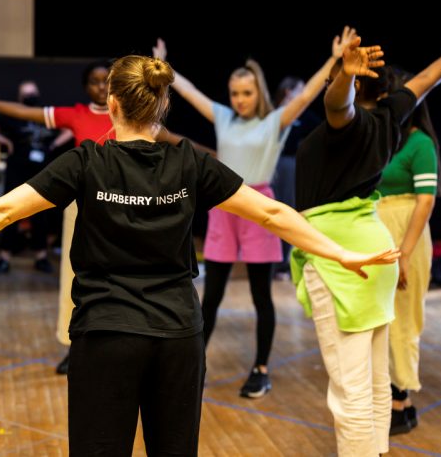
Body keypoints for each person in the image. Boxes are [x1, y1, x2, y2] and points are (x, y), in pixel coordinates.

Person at [0, 54, 399, 456]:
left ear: (112, 106)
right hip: (177, 339)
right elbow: (274, 215)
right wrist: (340, 256)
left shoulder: (87, 162)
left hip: (105, 338)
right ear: (162, 108)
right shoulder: (188, 162)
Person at [0, 60, 208, 374]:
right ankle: (73, 344)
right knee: (75, 278)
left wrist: (216, 156)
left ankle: (127, 339)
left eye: (106, 81)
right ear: (86, 86)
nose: (101, 87)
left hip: (130, 205)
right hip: (85, 206)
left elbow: (181, 144)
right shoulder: (76, 114)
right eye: (94, 81)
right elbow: (23, 113)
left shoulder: (140, 121)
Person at [153, 26, 357, 398]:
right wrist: (165, 67)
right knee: (210, 295)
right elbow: (190, 92)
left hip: (259, 205)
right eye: (234, 93)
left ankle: (261, 369)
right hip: (224, 205)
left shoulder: (273, 122)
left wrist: (335, 59)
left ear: (257, 92)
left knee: (261, 295)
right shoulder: (224, 118)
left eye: (246, 93)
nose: (240, 99)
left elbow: (311, 93)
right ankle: (194, 364)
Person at [291, 39, 441, 456]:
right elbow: (430, 77)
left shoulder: (349, 123)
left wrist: (345, 73)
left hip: (341, 258)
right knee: (377, 376)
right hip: (374, 250)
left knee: (350, 388)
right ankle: (378, 450)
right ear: (383, 92)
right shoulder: (390, 116)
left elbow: (337, 104)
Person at [376, 67, 441, 435]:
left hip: (408, 240)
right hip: (380, 237)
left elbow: (425, 202)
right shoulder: (387, 141)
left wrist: (403, 252)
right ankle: (390, 398)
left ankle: (401, 403)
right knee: (383, 320)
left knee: (403, 321)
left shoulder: (421, 144)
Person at [0, 79, 72, 274]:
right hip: (17, 169)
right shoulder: (11, 114)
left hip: (42, 171)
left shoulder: (44, 115)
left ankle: (41, 257)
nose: (30, 96)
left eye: (33, 93)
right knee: (11, 212)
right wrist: (5, 142)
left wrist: (53, 145)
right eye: (27, 93)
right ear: (20, 97)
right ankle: (4, 257)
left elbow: (70, 129)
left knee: (41, 214)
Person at [270, 76, 322, 278]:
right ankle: (271, 264)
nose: (304, 95)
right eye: (300, 90)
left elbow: (322, 132)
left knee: (291, 211)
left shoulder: (306, 116)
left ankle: (286, 264)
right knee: (271, 212)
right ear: (288, 92)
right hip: (270, 168)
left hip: (292, 167)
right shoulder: (273, 114)